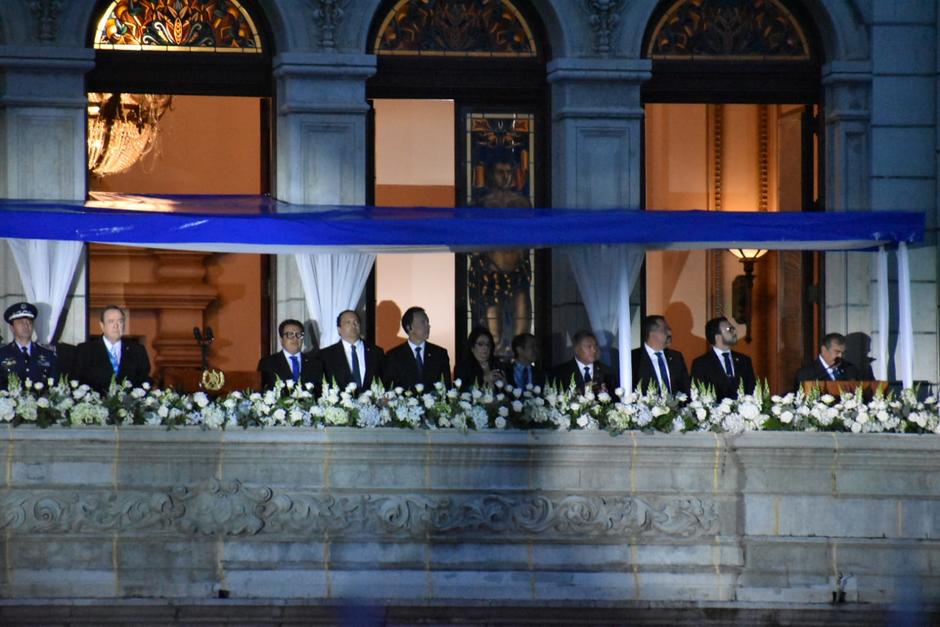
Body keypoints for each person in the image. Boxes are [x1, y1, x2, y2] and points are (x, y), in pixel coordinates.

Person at [470, 158, 533, 357]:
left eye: (509, 171)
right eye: (500, 171)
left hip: (518, 273)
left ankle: (519, 366)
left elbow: (531, 236)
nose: (505, 177)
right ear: (490, 174)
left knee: (522, 327)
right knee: (492, 333)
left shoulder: (522, 203)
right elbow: (470, 242)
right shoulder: (481, 204)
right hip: (492, 273)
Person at [75, 304, 151, 394]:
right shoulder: (85, 350)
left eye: (120, 321)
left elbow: (144, 381)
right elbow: (78, 382)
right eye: (111, 321)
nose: (116, 326)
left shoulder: (137, 350)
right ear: (102, 326)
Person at [382, 306, 451, 390]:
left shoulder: (440, 354)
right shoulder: (393, 356)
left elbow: (447, 387)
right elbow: (390, 389)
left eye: (428, 322)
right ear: (409, 327)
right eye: (423, 322)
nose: (428, 326)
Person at [690, 317, 756, 400]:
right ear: (717, 336)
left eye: (733, 328)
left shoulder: (744, 360)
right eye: (729, 329)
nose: (734, 332)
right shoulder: (701, 364)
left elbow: (752, 390)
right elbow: (698, 395)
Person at [318, 310, 384, 391]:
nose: (353, 325)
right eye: (348, 322)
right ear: (339, 329)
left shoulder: (376, 352)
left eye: (356, 322)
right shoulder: (326, 355)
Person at [0, 302, 57, 386]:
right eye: (20, 323)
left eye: (29, 322)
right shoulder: (2, 354)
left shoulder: (48, 354)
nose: (26, 326)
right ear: (12, 328)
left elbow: (56, 385)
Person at [631, 315, 690, 396]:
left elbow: (686, 388)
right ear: (652, 333)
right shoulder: (634, 358)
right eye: (665, 330)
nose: (670, 333)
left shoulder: (676, 357)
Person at [257, 319, 323, 391]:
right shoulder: (268, 363)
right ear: (281, 339)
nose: (295, 338)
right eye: (290, 334)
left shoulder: (315, 364)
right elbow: (262, 391)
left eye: (298, 335)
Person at [551, 330, 617, 392]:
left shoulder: (608, 372)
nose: (594, 350)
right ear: (576, 349)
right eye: (589, 347)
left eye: (595, 346)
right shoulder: (561, 373)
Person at [794, 332, 860, 390]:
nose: (840, 356)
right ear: (824, 350)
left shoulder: (850, 369)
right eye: (837, 352)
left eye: (843, 353)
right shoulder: (806, 374)